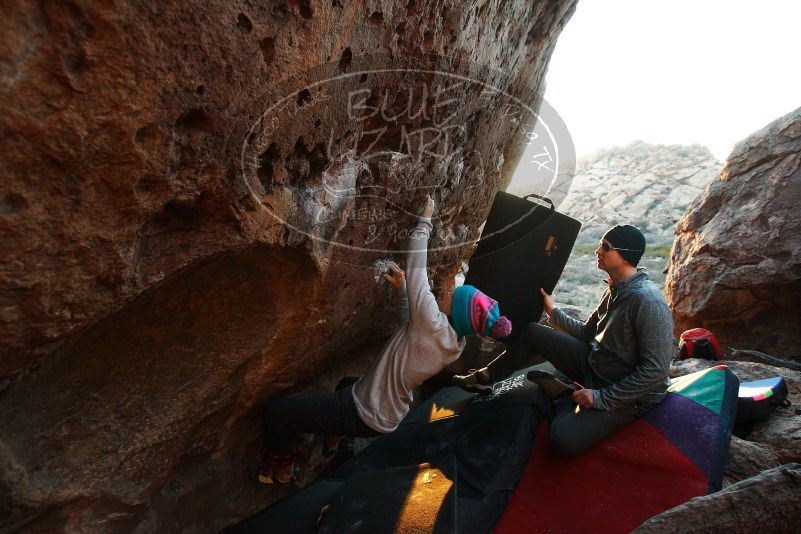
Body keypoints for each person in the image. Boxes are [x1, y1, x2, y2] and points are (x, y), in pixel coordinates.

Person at [260, 195, 512, 483]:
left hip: (361, 411)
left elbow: (417, 266)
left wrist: (425, 220)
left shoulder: (431, 321)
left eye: (452, 295)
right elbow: (412, 331)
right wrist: (403, 291)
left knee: (278, 413)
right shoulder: (454, 343)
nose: (446, 291)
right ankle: (331, 447)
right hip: (388, 416)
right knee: (345, 384)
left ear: (455, 311)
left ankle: (280, 472)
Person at [454, 224, 674, 458]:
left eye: (606, 247)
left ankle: (562, 396)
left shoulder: (648, 302)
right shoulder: (615, 288)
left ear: (626, 256)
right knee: (534, 332)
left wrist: (601, 398)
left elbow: (656, 370)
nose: (597, 251)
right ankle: (486, 378)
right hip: (596, 365)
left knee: (562, 441)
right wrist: (553, 312)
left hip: (627, 393)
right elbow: (589, 334)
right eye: (600, 244)